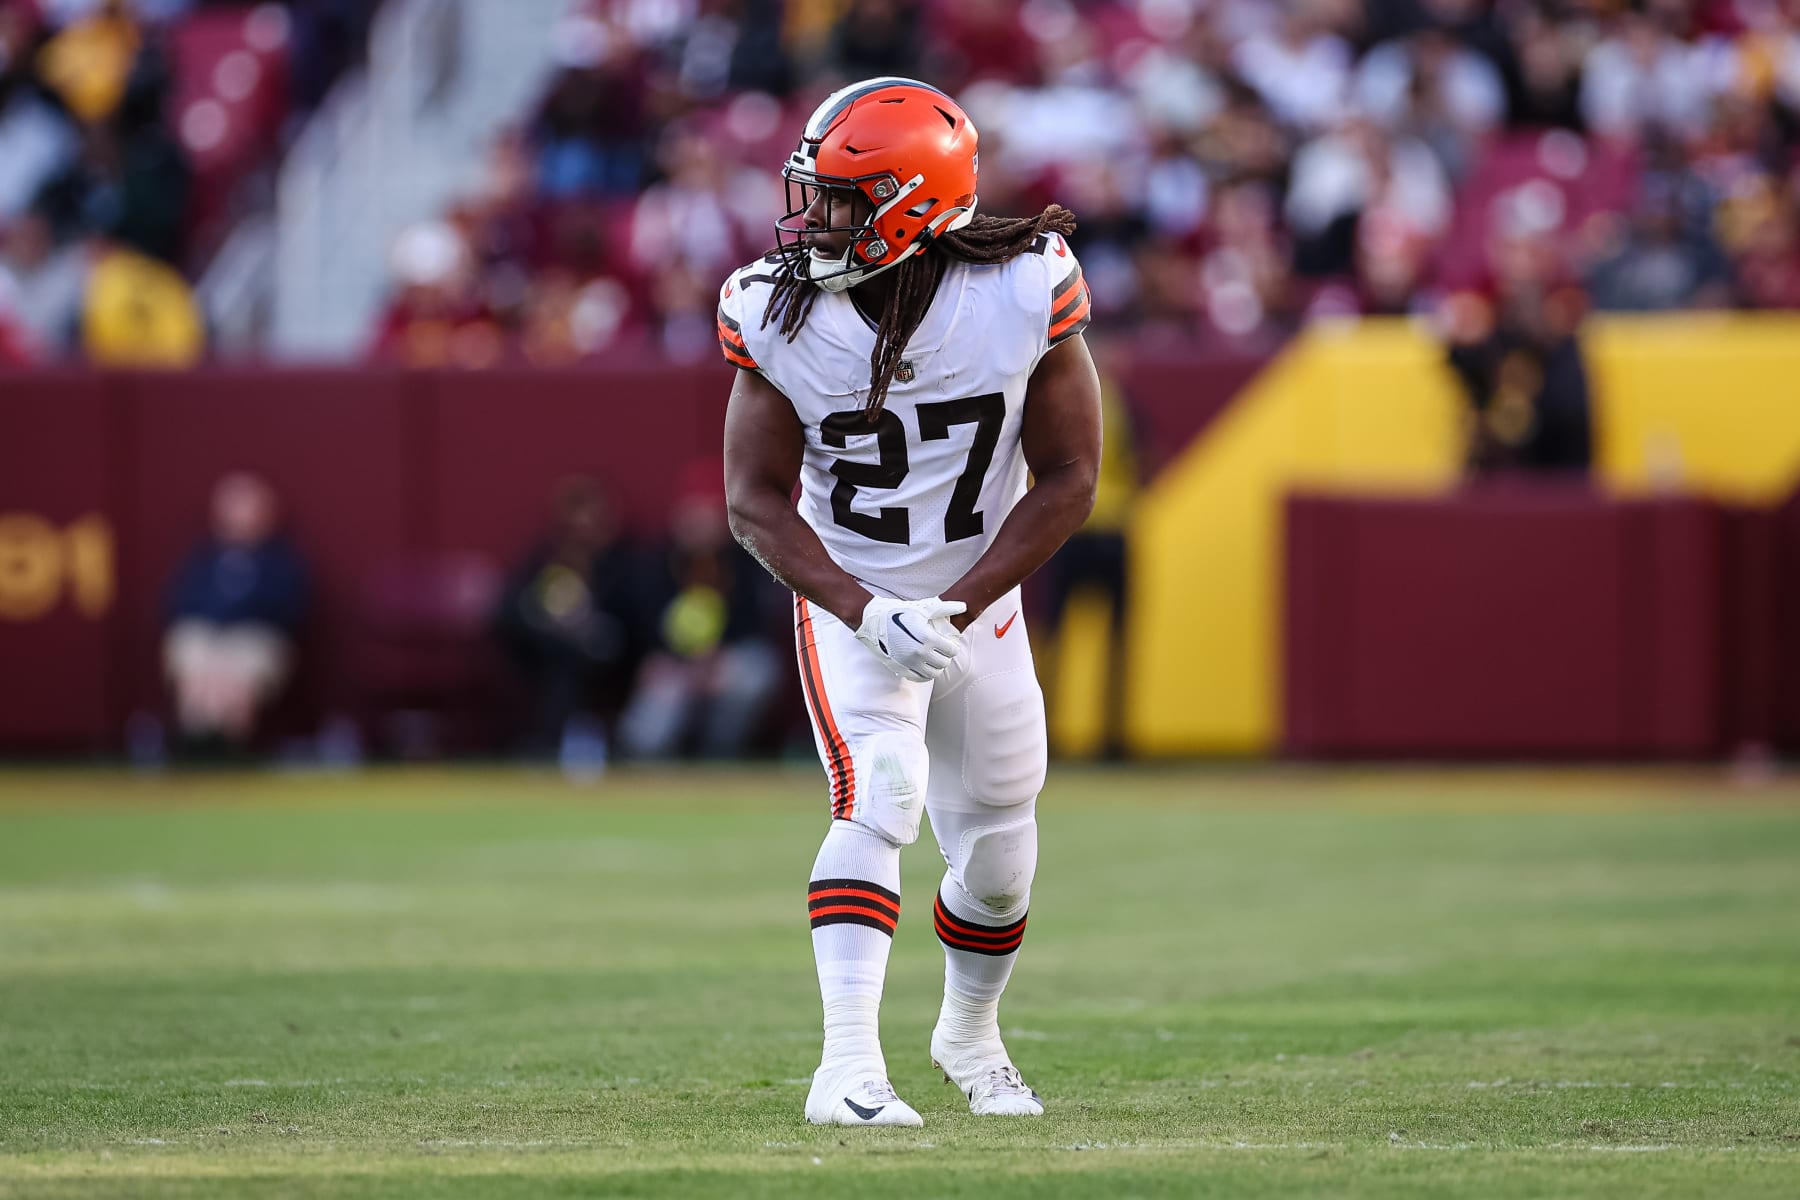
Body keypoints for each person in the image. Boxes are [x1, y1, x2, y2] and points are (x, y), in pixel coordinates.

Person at [720, 78, 1101, 1127]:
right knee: (881, 788)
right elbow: (752, 501)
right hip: (852, 601)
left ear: (916, 203)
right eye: (816, 195)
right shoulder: (777, 306)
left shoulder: (1027, 285)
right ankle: (845, 1068)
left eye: (844, 200)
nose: (816, 222)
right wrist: (861, 606)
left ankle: (969, 1035)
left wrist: (960, 603)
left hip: (981, 602)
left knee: (1000, 861)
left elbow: (1071, 477)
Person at [616, 463, 783, 760]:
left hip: (723, 664)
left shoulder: (745, 563)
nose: (699, 525)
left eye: (707, 515)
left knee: (757, 671)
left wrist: (714, 661)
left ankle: (721, 755)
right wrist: (660, 661)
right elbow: (638, 625)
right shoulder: (656, 564)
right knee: (645, 738)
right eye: (692, 515)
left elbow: (755, 625)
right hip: (672, 667)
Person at [162, 472, 308, 755]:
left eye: (247, 507)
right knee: (196, 662)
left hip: (255, 639)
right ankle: (197, 746)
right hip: (208, 637)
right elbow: (177, 602)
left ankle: (230, 749)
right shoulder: (202, 558)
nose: (240, 516)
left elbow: (289, 609)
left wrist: (234, 620)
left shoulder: (282, 560)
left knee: (236, 672)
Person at [493, 474, 636, 762]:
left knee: (583, 651)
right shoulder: (548, 556)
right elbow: (510, 606)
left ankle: (560, 739)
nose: (584, 522)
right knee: (561, 657)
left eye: (592, 512)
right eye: (577, 512)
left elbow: (629, 618)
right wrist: (547, 621)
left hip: (607, 654)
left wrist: (587, 624)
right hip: (548, 650)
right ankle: (554, 739)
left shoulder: (621, 561)